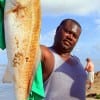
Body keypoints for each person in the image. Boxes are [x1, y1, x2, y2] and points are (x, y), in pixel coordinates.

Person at [40, 18, 87, 100]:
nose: (70, 37)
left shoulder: (77, 60)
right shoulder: (46, 54)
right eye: (67, 32)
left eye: (75, 36)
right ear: (58, 29)